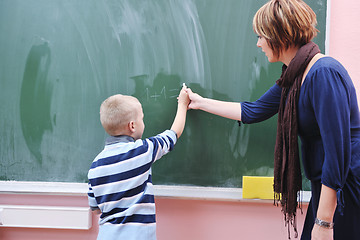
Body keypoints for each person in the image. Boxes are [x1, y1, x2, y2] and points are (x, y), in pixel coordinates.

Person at [186, 0, 360, 239]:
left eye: (261, 36)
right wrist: (199, 102)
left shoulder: (323, 73)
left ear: (280, 35)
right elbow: (253, 110)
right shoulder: (295, 77)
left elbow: (337, 153)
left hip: (345, 189)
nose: (258, 44)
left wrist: (324, 223)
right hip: (327, 187)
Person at [87, 85, 190, 240]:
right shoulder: (141, 151)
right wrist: (182, 105)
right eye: (142, 118)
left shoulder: (95, 166)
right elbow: (174, 134)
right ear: (132, 126)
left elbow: (95, 209)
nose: (143, 121)